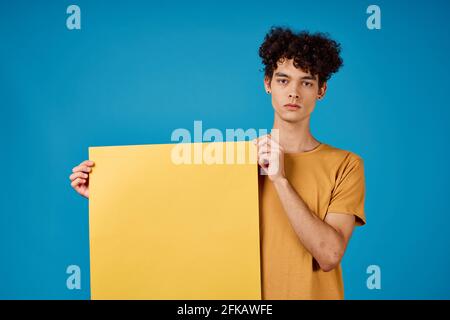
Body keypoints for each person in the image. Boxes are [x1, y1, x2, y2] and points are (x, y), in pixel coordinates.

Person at [69, 26, 365, 300]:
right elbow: (178, 223)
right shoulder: (235, 160)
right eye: (283, 79)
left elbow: (328, 255)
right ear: (268, 84)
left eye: (307, 82)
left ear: (321, 90)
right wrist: (107, 196)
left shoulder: (345, 164)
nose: (293, 92)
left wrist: (280, 180)